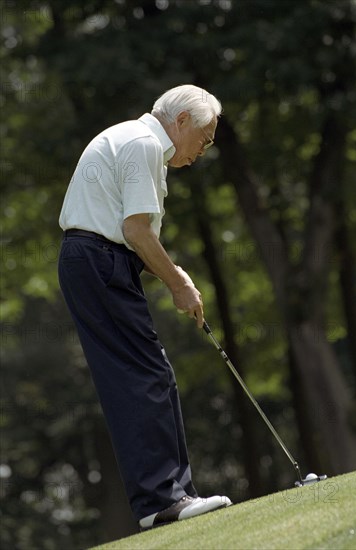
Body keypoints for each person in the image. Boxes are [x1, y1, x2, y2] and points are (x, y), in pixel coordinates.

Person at [58, 84, 232, 530]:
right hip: (99, 261)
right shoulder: (143, 144)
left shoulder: (141, 143)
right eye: (205, 138)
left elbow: (133, 235)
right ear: (181, 123)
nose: (203, 150)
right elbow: (135, 231)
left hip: (100, 261)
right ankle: (162, 500)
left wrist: (176, 276)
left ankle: (174, 494)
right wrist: (178, 284)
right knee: (143, 375)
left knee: (151, 373)